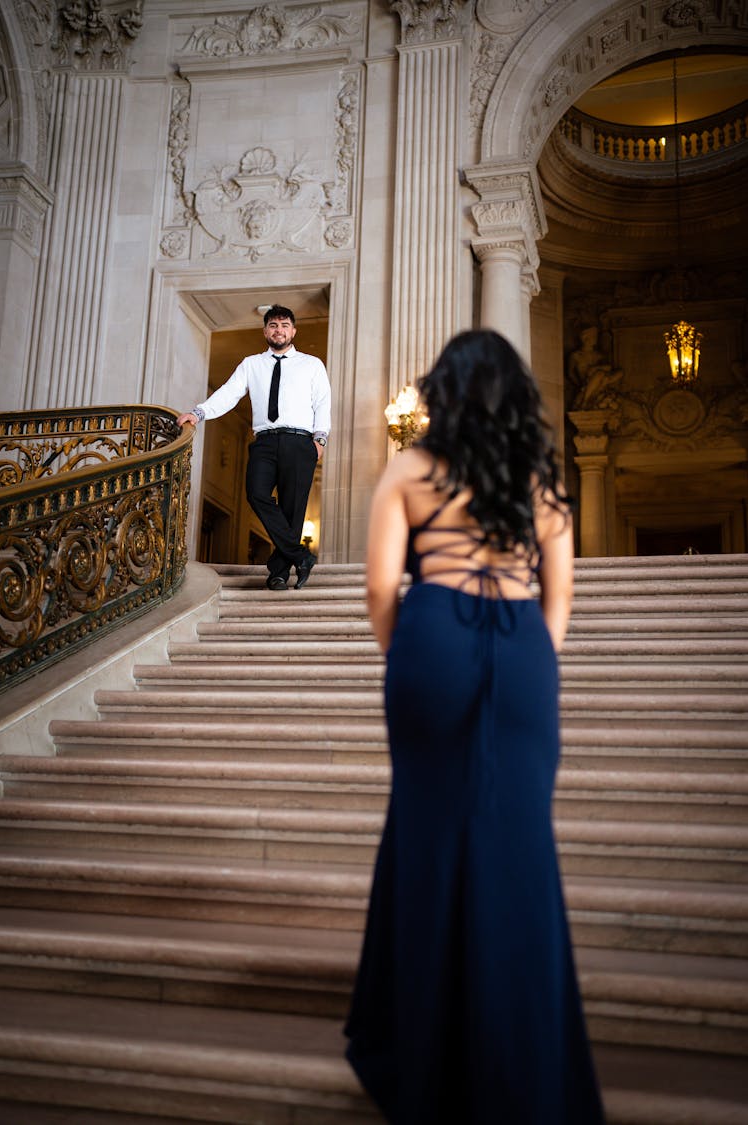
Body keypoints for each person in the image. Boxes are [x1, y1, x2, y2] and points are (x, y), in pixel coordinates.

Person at [345, 330, 605, 1124]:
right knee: (523, 841)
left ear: (445, 390)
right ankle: (524, 1065)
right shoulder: (542, 480)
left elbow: (381, 590)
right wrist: (522, 658)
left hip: (430, 639)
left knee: (425, 831)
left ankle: (424, 1055)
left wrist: (421, 655)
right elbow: (559, 599)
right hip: (523, 643)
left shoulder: (410, 467)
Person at [177, 305, 331, 590]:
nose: (279, 330)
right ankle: (300, 556)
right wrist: (198, 413)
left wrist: (320, 439)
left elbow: (322, 402)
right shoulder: (251, 364)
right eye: (273, 325)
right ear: (265, 331)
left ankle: (279, 574)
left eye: (284, 325)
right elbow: (228, 394)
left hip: (300, 441)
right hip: (265, 441)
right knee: (256, 494)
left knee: (292, 509)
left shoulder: (312, 364)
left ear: (293, 331)